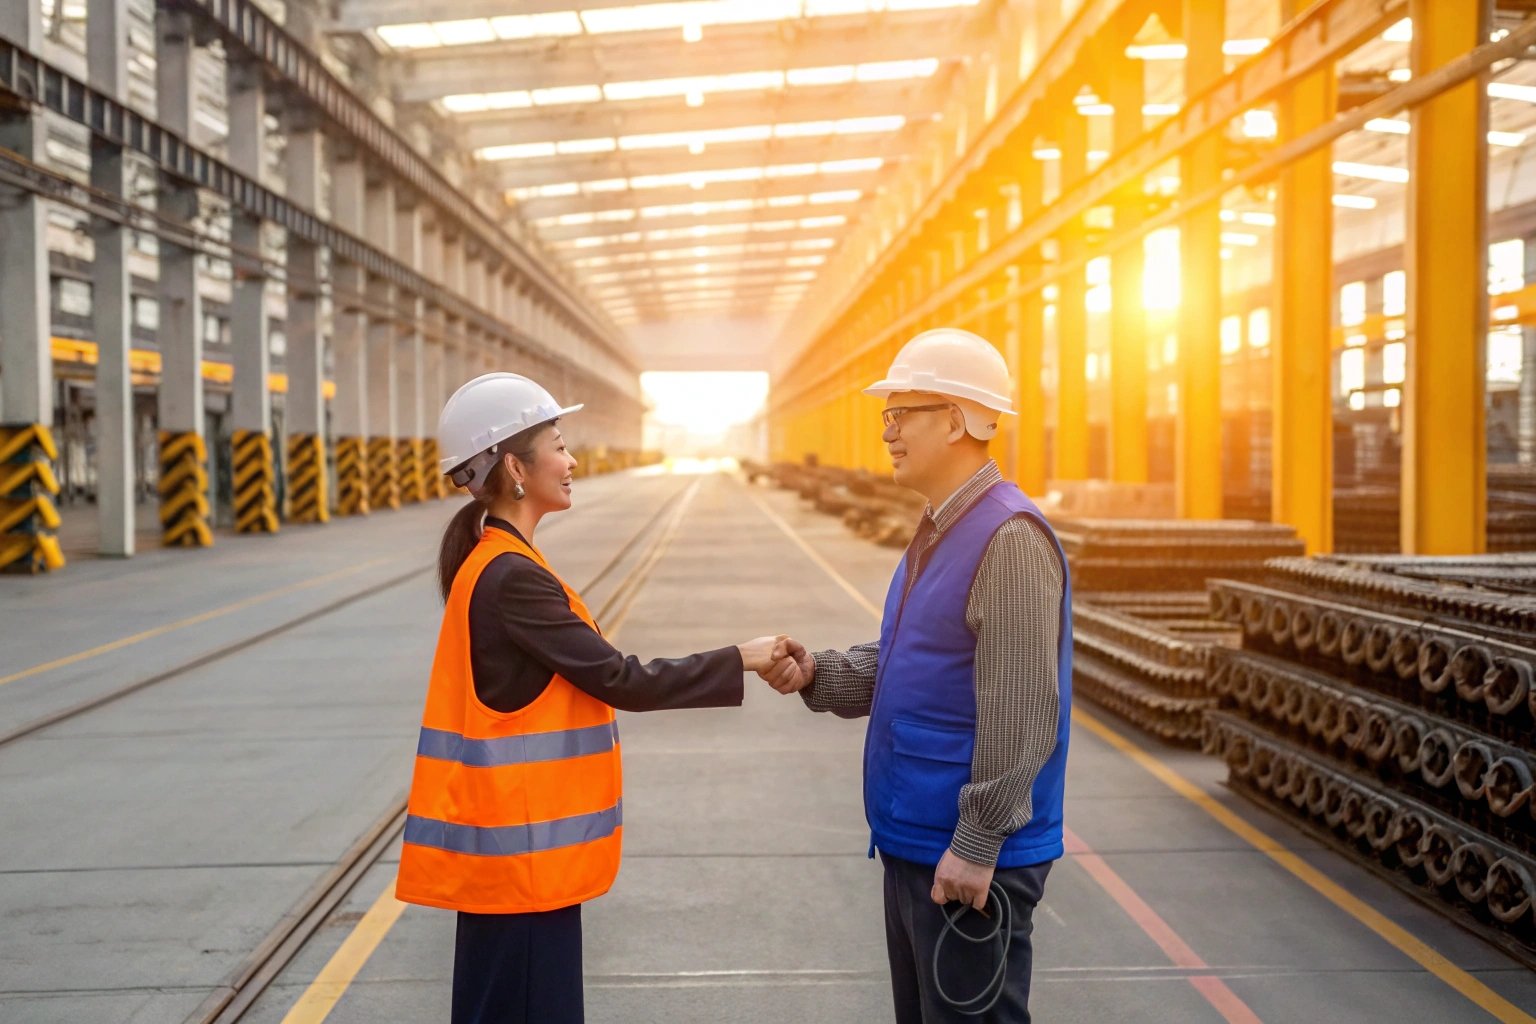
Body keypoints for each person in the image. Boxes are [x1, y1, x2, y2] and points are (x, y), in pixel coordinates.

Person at [394, 372, 787, 1024]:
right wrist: (739, 658)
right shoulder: (511, 578)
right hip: (522, 874)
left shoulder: (497, 562)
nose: (573, 460)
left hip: (517, 870)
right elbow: (622, 679)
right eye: (559, 444)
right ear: (516, 468)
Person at [761, 328, 1072, 1024]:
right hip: (919, 842)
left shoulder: (1010, 539)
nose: (888, 431)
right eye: (887, 416)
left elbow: (1023, 712)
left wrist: (976, 841)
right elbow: (906, 658)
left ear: (958, 420)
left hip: (966, 863)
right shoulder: (939, 527)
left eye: (903, 414)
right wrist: (819, 673)